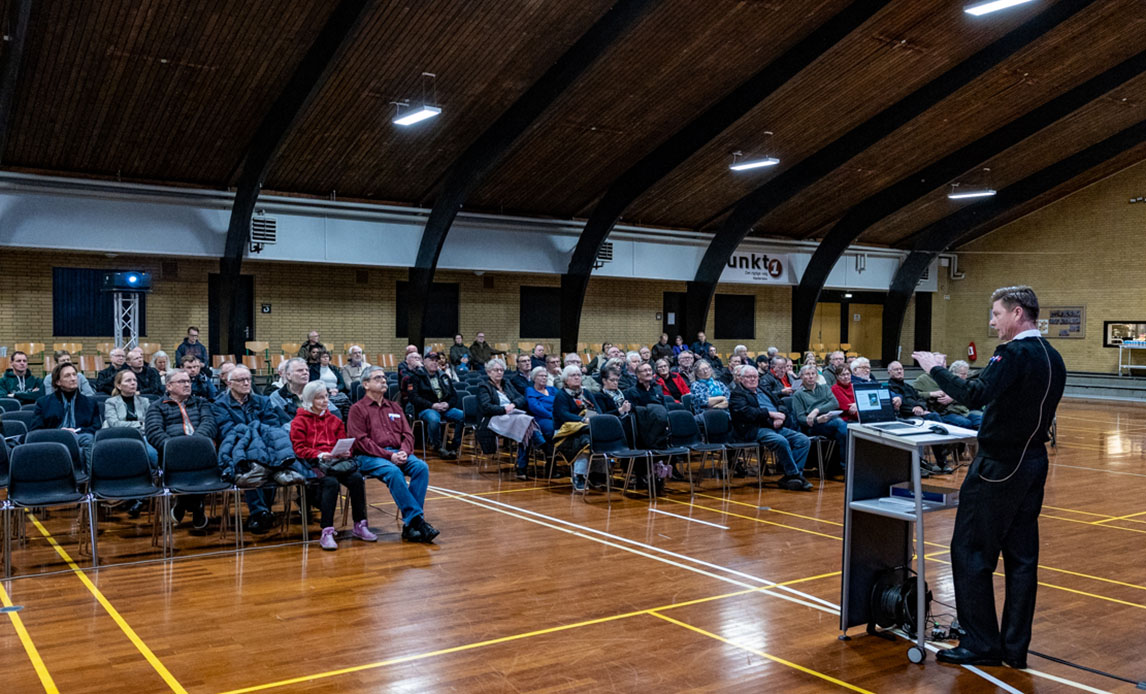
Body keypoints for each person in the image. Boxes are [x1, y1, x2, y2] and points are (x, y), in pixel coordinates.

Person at [914, 285, 1064, 670]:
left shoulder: (1012, 353)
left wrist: (935, 369)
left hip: (1000, 466)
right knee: (1021, 558)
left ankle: (980, 643)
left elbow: (975, 394)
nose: (992, 322)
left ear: (1017, 314)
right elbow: (1009, 396)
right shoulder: (1053, 356)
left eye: (996, 314)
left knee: (969, 552)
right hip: (1032, 463)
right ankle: (1014, 648)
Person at [346, 366, 438, 543]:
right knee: (394, 471)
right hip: (368, 456)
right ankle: (417, 521)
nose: (383, 381)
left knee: (421, 467)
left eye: (384, 378)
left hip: (397, 452)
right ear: (366, 384)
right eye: (377, 378)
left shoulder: (394, 406)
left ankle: (411, 524)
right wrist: (389, 456)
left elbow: (408, 434)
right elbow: (361, 441)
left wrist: (404, 451)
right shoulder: (357, 409)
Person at [291, 381, 376, 550]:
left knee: (357, 479)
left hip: (336, 461)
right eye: (319, 398)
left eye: (326, 396)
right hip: (313, 462)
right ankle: (327, 531)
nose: (324, 401)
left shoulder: (335, 420)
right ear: (309, 399)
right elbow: (299, 449)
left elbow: (344, 442)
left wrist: (345, 452)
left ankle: (360, 524)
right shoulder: (299, 421)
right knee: (331, 483)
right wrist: (320, 454)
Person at [213, 365, 294, 534]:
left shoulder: (262, 401)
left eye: (248, 379)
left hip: (264, 445)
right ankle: (260, 511)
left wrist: (255, 434)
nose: (246, 383)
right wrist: (254, 433)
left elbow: (272, 425)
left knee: (270, 460)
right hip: (237, 447)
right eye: (241, 380)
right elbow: (228, 430)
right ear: (229, 383)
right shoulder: (220, 405)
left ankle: (261, 512)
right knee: (252, 464)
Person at [145, 369, 218, 529]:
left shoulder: (201, 402)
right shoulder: (156, 407)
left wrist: (196, 444)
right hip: (173, 455)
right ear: (169, 386)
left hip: (201, 450)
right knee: (189, 464)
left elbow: (209, 423)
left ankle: (183, 503)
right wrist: (177, 449)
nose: (187, 384)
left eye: (188, 381)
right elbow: (154, 432)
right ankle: (197, 506)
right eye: (182, 382)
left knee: (203, 461)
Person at [729, 365, 812, 491]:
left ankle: (792, 476)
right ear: (741, 379)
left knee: (803, 440)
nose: (752, 379)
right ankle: (794, 475)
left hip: (776, 425)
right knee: (780, 441)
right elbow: (746, 413)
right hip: (755, 429)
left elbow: (780, 404)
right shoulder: (737, 394)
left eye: (755, 376)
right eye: (749, 377)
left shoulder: (763, 390)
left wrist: (781, 415)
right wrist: (770, 415)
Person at [473, 358, 545, 480]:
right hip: (493, 418)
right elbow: (486, 407)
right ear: (489, 372)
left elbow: (521, 398)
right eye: (496, 370)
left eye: (501, 370)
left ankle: (523, 466)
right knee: (525, 423)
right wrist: (504, 409)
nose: (499, 372)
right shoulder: (483, 387)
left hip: (511, 415)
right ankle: (542, 445)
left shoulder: (506, 383)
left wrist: (513, 405)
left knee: (525, 427)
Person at [886, 360, 952, 472]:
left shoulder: (908, 387)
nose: (899, 371)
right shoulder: (889, 387)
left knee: (934, 418)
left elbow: (920, 398)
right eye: (896, 369)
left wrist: (920, 407)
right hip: (904, 417)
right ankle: (943, 457)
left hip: (919, 414)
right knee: (934, 418)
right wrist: (913, 410)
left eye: (901, 369)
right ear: (889, 372)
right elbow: (896, 406)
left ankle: (942, 457)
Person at [32, 362, 101, 468]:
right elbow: (36, 430)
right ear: (58, 382)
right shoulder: (43, 403)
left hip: (80, 436)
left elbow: (96, 427)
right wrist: (60, 432)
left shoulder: (90, 403)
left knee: (89, 439)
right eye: (67, 376)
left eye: (74, 374)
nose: (73, 378)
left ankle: (90, 478)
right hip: (54, 437)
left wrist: (78, 431)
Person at [790, 364, 847, 474]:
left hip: (828, 421)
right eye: (807, 374)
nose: (811, 376)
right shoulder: (798, 394)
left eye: (813, 374)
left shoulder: (824, 388)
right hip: (812, 426)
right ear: (801, 377)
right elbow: (801, 418)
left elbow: (834, 403)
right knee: (841, 425)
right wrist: (817, 420)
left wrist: (816, 410)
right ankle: (845, 467)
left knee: (843, 433)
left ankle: (844, 468)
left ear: (817, 376)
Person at [552, 366, 602, 492]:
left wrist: (595, 419)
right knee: (585, 442)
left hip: (587, 427)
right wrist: (582, 420)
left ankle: (596, 473)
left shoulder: (587, 393)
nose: (576, 377)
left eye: (578, 375)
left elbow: (598, 409)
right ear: (565, 380)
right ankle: (579, 476)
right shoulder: (561, 395)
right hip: (565, 431)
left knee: (601, 439)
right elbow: (564, 415)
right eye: (572, 375)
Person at [405, 352, 462, 459]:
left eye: (436, 361)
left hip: (444, 408)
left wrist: (448, 404)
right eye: (431, 360)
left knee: (462, 416)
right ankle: (438, 446)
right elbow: (414, 398)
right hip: (426, 409)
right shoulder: (415, 377)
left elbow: (454, 395)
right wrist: (432, 405)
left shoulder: (443, 376)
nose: (434, 363)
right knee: (434, 418)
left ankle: (454, 446)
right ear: (424, 362)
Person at [103, 369, 158, 467]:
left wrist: (132, 425)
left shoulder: (144, 401)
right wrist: (139, 424)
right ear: (119, 385)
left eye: (135, 380)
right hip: (119, 436)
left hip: (142, 435)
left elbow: (150, 423)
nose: (133, 383)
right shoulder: (111, 402)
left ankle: (158, 474)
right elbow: (115, 424)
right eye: (128, 380)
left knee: (153, 450)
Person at [913, 359, 981, 429]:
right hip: (945, 412)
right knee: (966, 423)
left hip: (963, 412)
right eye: (939, 362)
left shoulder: (947, 377)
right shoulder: (923, 379)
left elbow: (969, 396)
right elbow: (913, 394)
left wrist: (953, 398)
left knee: (982, 422)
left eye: (944, 362)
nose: (942, 365)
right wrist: (930, 394)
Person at [270, 358, 337, 424]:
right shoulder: (277, 397)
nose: (305, 373)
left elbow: (334, 412)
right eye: (300, 370)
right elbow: (283, 422)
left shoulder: (315, 392)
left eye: (307, 370)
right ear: (288, 375)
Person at [311, 350, 350, 417]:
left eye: (327, 356)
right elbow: (315, 383)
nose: (326, 358)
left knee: (347, 403)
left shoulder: (334, 368)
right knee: (332, 403)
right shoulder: (314, 369)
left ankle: (345, 423)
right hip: (323, 393)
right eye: (323, 357)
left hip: (337, 392)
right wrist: (329, 390)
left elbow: (342, 383)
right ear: (319, 359)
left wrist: (336, 389)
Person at [525, 366, 555, 440]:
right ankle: (551, 449)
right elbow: (535, 407)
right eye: (541, 376)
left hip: (557, 416)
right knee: (552, 428)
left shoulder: (552, 389)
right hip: (541, 417)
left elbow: (561, 402)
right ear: (534, 378)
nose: (544, 378)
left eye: (546, 376)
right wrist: (551, 415)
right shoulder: (530, 390)